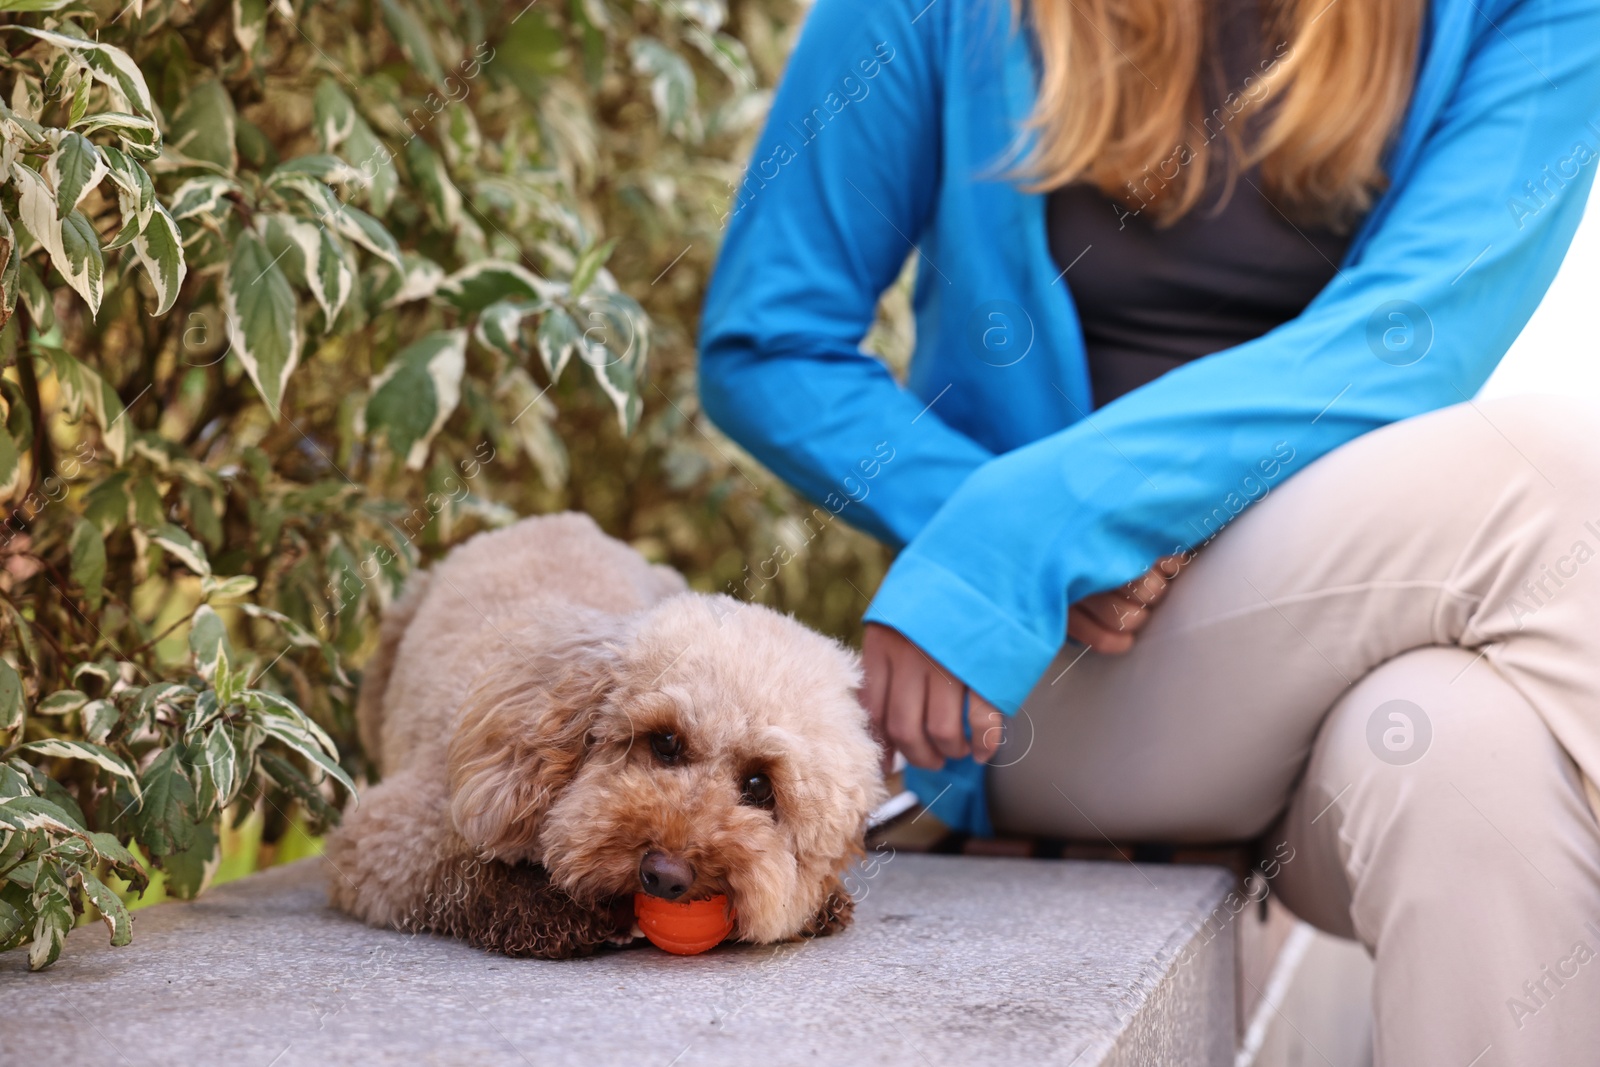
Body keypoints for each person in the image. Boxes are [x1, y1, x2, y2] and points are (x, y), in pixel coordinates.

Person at [697, 0, 1600, 1062]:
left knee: (1464, 750)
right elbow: (771, 338)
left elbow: (1413, 340)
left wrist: (1044, 521)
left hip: (1337, 684)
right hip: (1064, 679)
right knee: (1557, 476)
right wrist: (1002, 547)